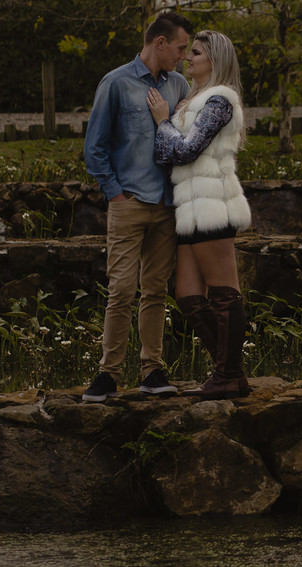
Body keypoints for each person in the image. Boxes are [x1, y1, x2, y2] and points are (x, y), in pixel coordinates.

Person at [82, 11, 193, 402]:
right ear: (160, 43)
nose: (182, 56)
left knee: (156, 292)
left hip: (166, 206)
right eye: (180, 48)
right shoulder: (115, 83)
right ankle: (108, 374)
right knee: (122, 290)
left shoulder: (179, 86)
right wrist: (115, 193)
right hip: (128, 202)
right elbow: (94, 147)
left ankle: (152, 371)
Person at [146, 29, 252, 399]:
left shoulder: (221, 100)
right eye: (189, 52)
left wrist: (163, 123)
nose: (187, 58)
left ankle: (226, 377)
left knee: (224, 293)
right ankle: (231, 374)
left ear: (215, 60)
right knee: (189, 297)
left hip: (213, 204)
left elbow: (186, 151)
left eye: (195, 52)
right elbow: (166, 155)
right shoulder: (193, 101)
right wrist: (170, 128)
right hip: (187, 206)